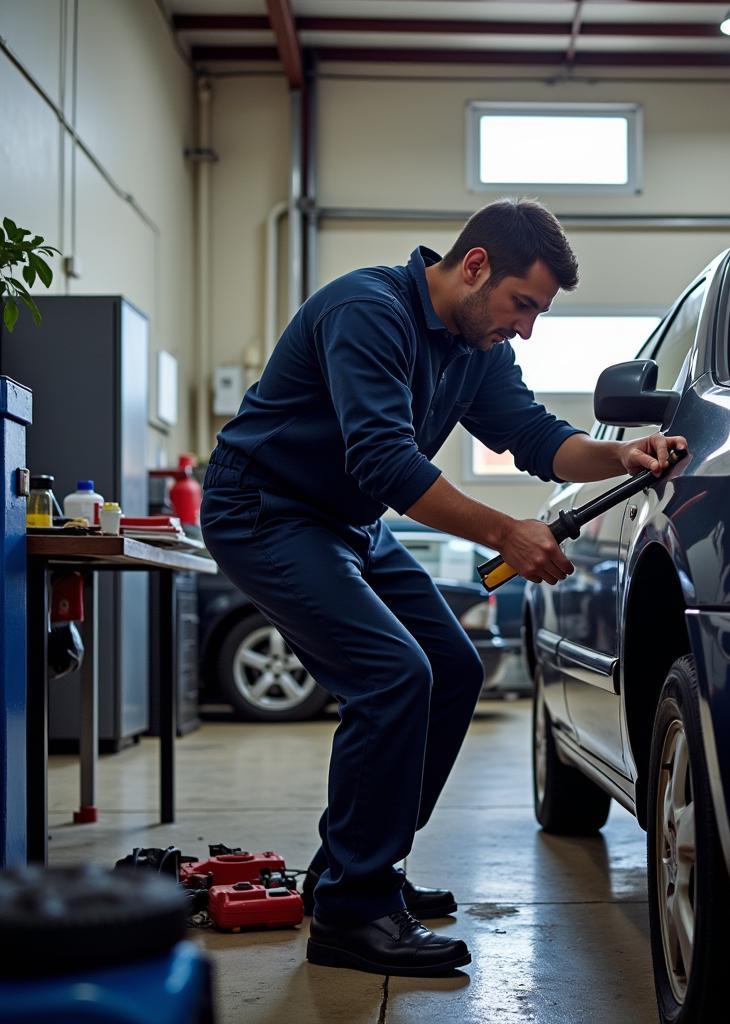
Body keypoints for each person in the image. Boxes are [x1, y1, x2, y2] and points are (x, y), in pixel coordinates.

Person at [200, 197, 686, 978]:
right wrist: (507, 533)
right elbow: (386, 462)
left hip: (344, 520)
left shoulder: (477, 347)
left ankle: (359, 869)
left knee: (453, 669)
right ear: (474, 266)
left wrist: (624, 455)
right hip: (265, 506)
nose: (525, 327)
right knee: (393, 677)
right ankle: (354, 914)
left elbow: (534, 437)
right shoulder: (368, 311)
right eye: (523, 305)